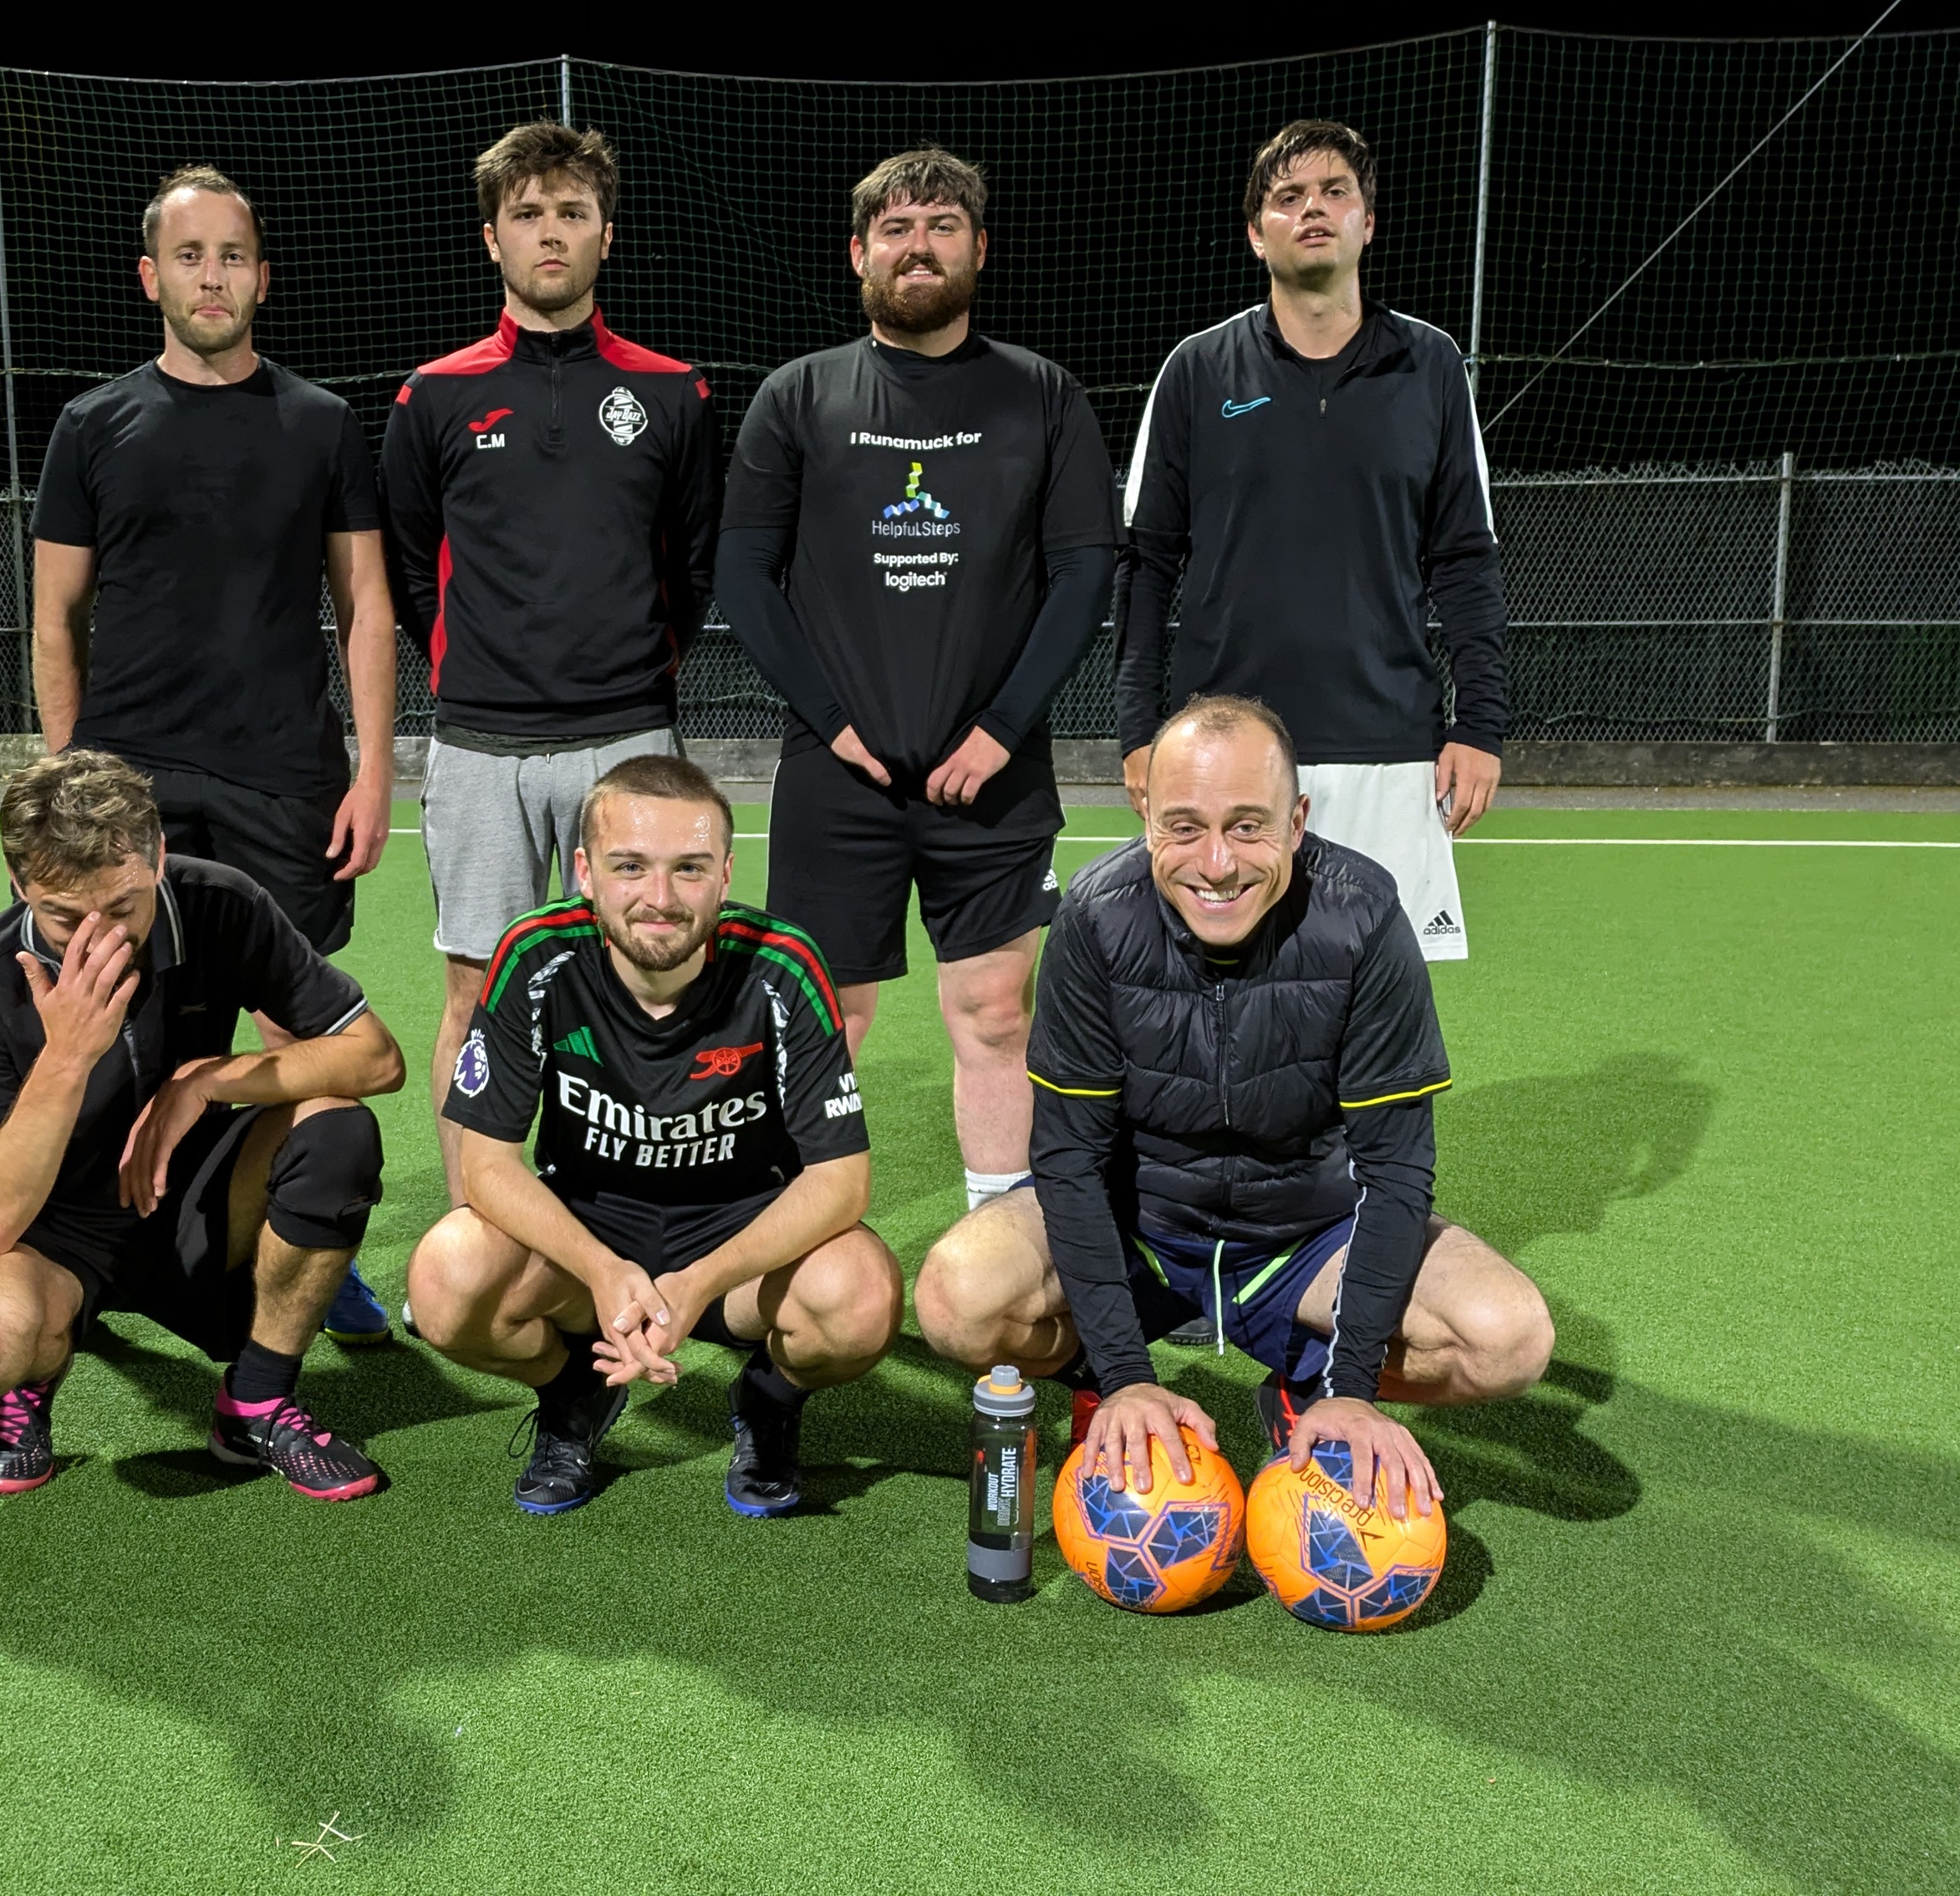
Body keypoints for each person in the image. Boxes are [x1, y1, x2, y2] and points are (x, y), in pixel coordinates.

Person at [915, 696, 1554, 1518]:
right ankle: (1096, 1387)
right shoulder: (1095, 918)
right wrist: (1125, 1377)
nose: (1217, 863)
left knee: (1507, 1338)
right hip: (1138, 1228)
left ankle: (1304, 1387)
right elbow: (1069, 1161)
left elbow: (1396, 1168)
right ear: (1145, 815)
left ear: (1297, 820)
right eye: (1185, 827)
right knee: (956, 1299)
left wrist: (1352, 1385)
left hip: (1305, 1238)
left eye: (1248, 826)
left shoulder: (1362, 915)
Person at [29, 162, 399, 1340]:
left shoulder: (325, 422)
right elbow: (53, 618)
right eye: (189, 256)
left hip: (286, 776)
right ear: (152, 278)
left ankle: (308, 1243)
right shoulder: (93, 426)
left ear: (262, 277)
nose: (212, 276)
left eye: (232, 255)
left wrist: (378, 770)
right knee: (112, 1025)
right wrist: (68, 785)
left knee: (304, 1041)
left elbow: (368, 606)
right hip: (129, 786)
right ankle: (80, 1244)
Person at [717, 145, 1117, 1216]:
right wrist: (832, 723)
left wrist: (1000, 728)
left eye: (942, 224)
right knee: (827, 1016)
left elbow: (1085, 573)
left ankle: (1001, 1262)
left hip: (991, 771)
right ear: (859, 254)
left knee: (993, 1012)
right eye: (895, 229)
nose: (918, 245)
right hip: (835, 774)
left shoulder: (1042, 395)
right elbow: (744, 579)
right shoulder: (798, 396)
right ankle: (792, 1246)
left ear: (979, 248)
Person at [407, 754, 899, 1517]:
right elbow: (485, 1165)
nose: (660, 899)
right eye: (630, 866)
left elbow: (841, 1180)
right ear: (585, 872)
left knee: (861, 1297)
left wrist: (697, 1281)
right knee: (446, 1280)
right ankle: (572, 1393)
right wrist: (603, 1271)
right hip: (588, 1225)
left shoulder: (783, 965)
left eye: (690, 869)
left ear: (726, 873)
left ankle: (769, 1397)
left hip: (738, 1233)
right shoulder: (534, 955)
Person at [384, 120, 718, 1212]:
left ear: (605, 236)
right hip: (480, 743)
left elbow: (693, 564)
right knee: (476, 988)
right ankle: (478, 1218)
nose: (550, 232)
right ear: (491, 237)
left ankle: (632, 1209)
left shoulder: (674, 394)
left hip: (628, 739)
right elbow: (411, 567)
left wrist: (624, 670)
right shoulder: (432, 396)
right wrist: (478, 665)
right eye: (528, 213)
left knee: (647, 979)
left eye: (571, 212)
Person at [0, 750, 406, 1501]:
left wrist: (209, 1079)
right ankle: (34, 1378)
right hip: (51, 1226)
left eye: (121, 908)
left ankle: (255, 1400)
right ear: (19, 885)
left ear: (159, 859)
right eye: (62, 916)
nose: (98, 941)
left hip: (192, 1198)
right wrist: (66, 1058)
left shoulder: (222, 903)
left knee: (337, 1130)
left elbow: (375, 1059)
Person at [1114, 120, 1509, 965]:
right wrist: (1138, 731)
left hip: (1388, 745)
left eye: (1336, 192)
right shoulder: (1197, 371)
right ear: (1258, 234)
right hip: (1227, 749)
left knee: (1378, 1002)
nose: (1314, 210)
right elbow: (1146, 568)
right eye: (1288, 198)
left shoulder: (1432, 367)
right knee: (1221, 992)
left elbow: (1466, 564)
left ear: (1371, 220)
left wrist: (1480, 726)